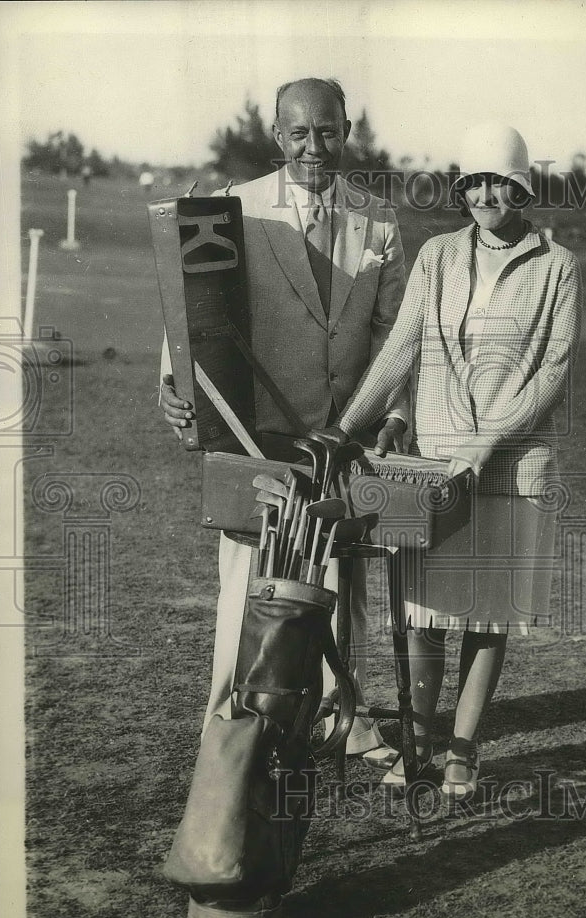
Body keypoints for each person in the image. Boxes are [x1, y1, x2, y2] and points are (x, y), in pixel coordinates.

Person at [324, 122, 582, 803]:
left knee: (489, 619)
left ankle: (463, 754)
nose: (487, 195)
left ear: (522, 188)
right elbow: (400, 348)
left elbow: (550, 376)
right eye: (476, 182)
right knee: (425, 617)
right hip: (433, 468)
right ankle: (416, 748)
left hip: (512, 467)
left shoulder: (557, 266)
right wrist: (345, 429)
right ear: (462, 187)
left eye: (502, 182)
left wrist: (486, 444)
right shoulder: (437, 256)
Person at [159, 77, 408, 764]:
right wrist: (174, 387)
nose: (314, 147)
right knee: (246, 580)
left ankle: (346, 716)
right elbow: (195, 310)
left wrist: (393, 411)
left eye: (326, 131)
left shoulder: (379, 221)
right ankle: (230, 719)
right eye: (298, 133)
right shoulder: (234, 208)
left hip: (346, 433)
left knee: (345, 585)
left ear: (347, 129)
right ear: (277, 135)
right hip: (258, 432)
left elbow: (395, 333)